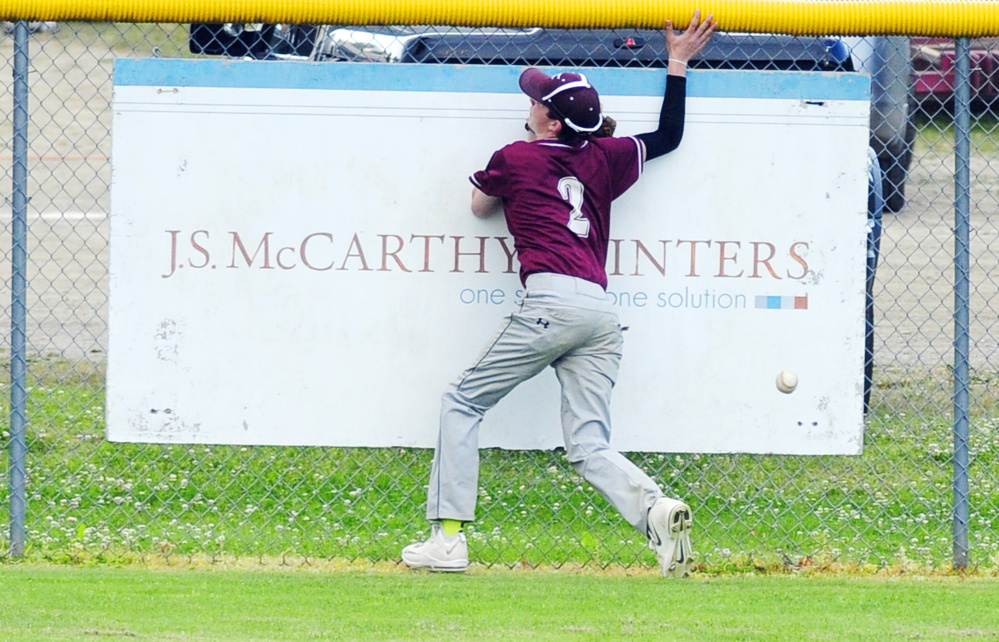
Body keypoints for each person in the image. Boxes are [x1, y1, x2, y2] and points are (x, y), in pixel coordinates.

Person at [402, 11, 717, 577]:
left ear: (549, 124)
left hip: (551, 303)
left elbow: (477, 207)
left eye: (538, 103)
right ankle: (656, 511)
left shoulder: (518, 157)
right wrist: (677, 62)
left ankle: (447, 540)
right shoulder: (605, 155)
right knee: (589, 445)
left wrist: (515, 179)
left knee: (461, 402)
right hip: (599, 312)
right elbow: (668, 136)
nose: (531, 105)